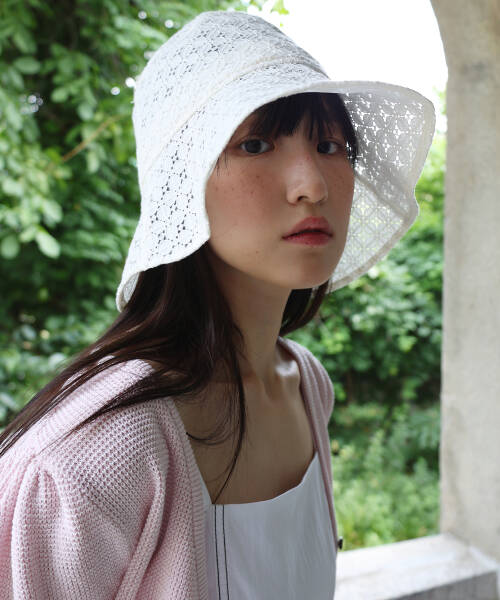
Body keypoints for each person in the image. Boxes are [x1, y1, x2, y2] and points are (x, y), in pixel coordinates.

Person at [0, 9, 435, 600]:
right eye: (255, 143)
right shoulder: (92, 453)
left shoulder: (306, 385)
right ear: (183, 184)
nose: (312, 184)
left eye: (330, 144)